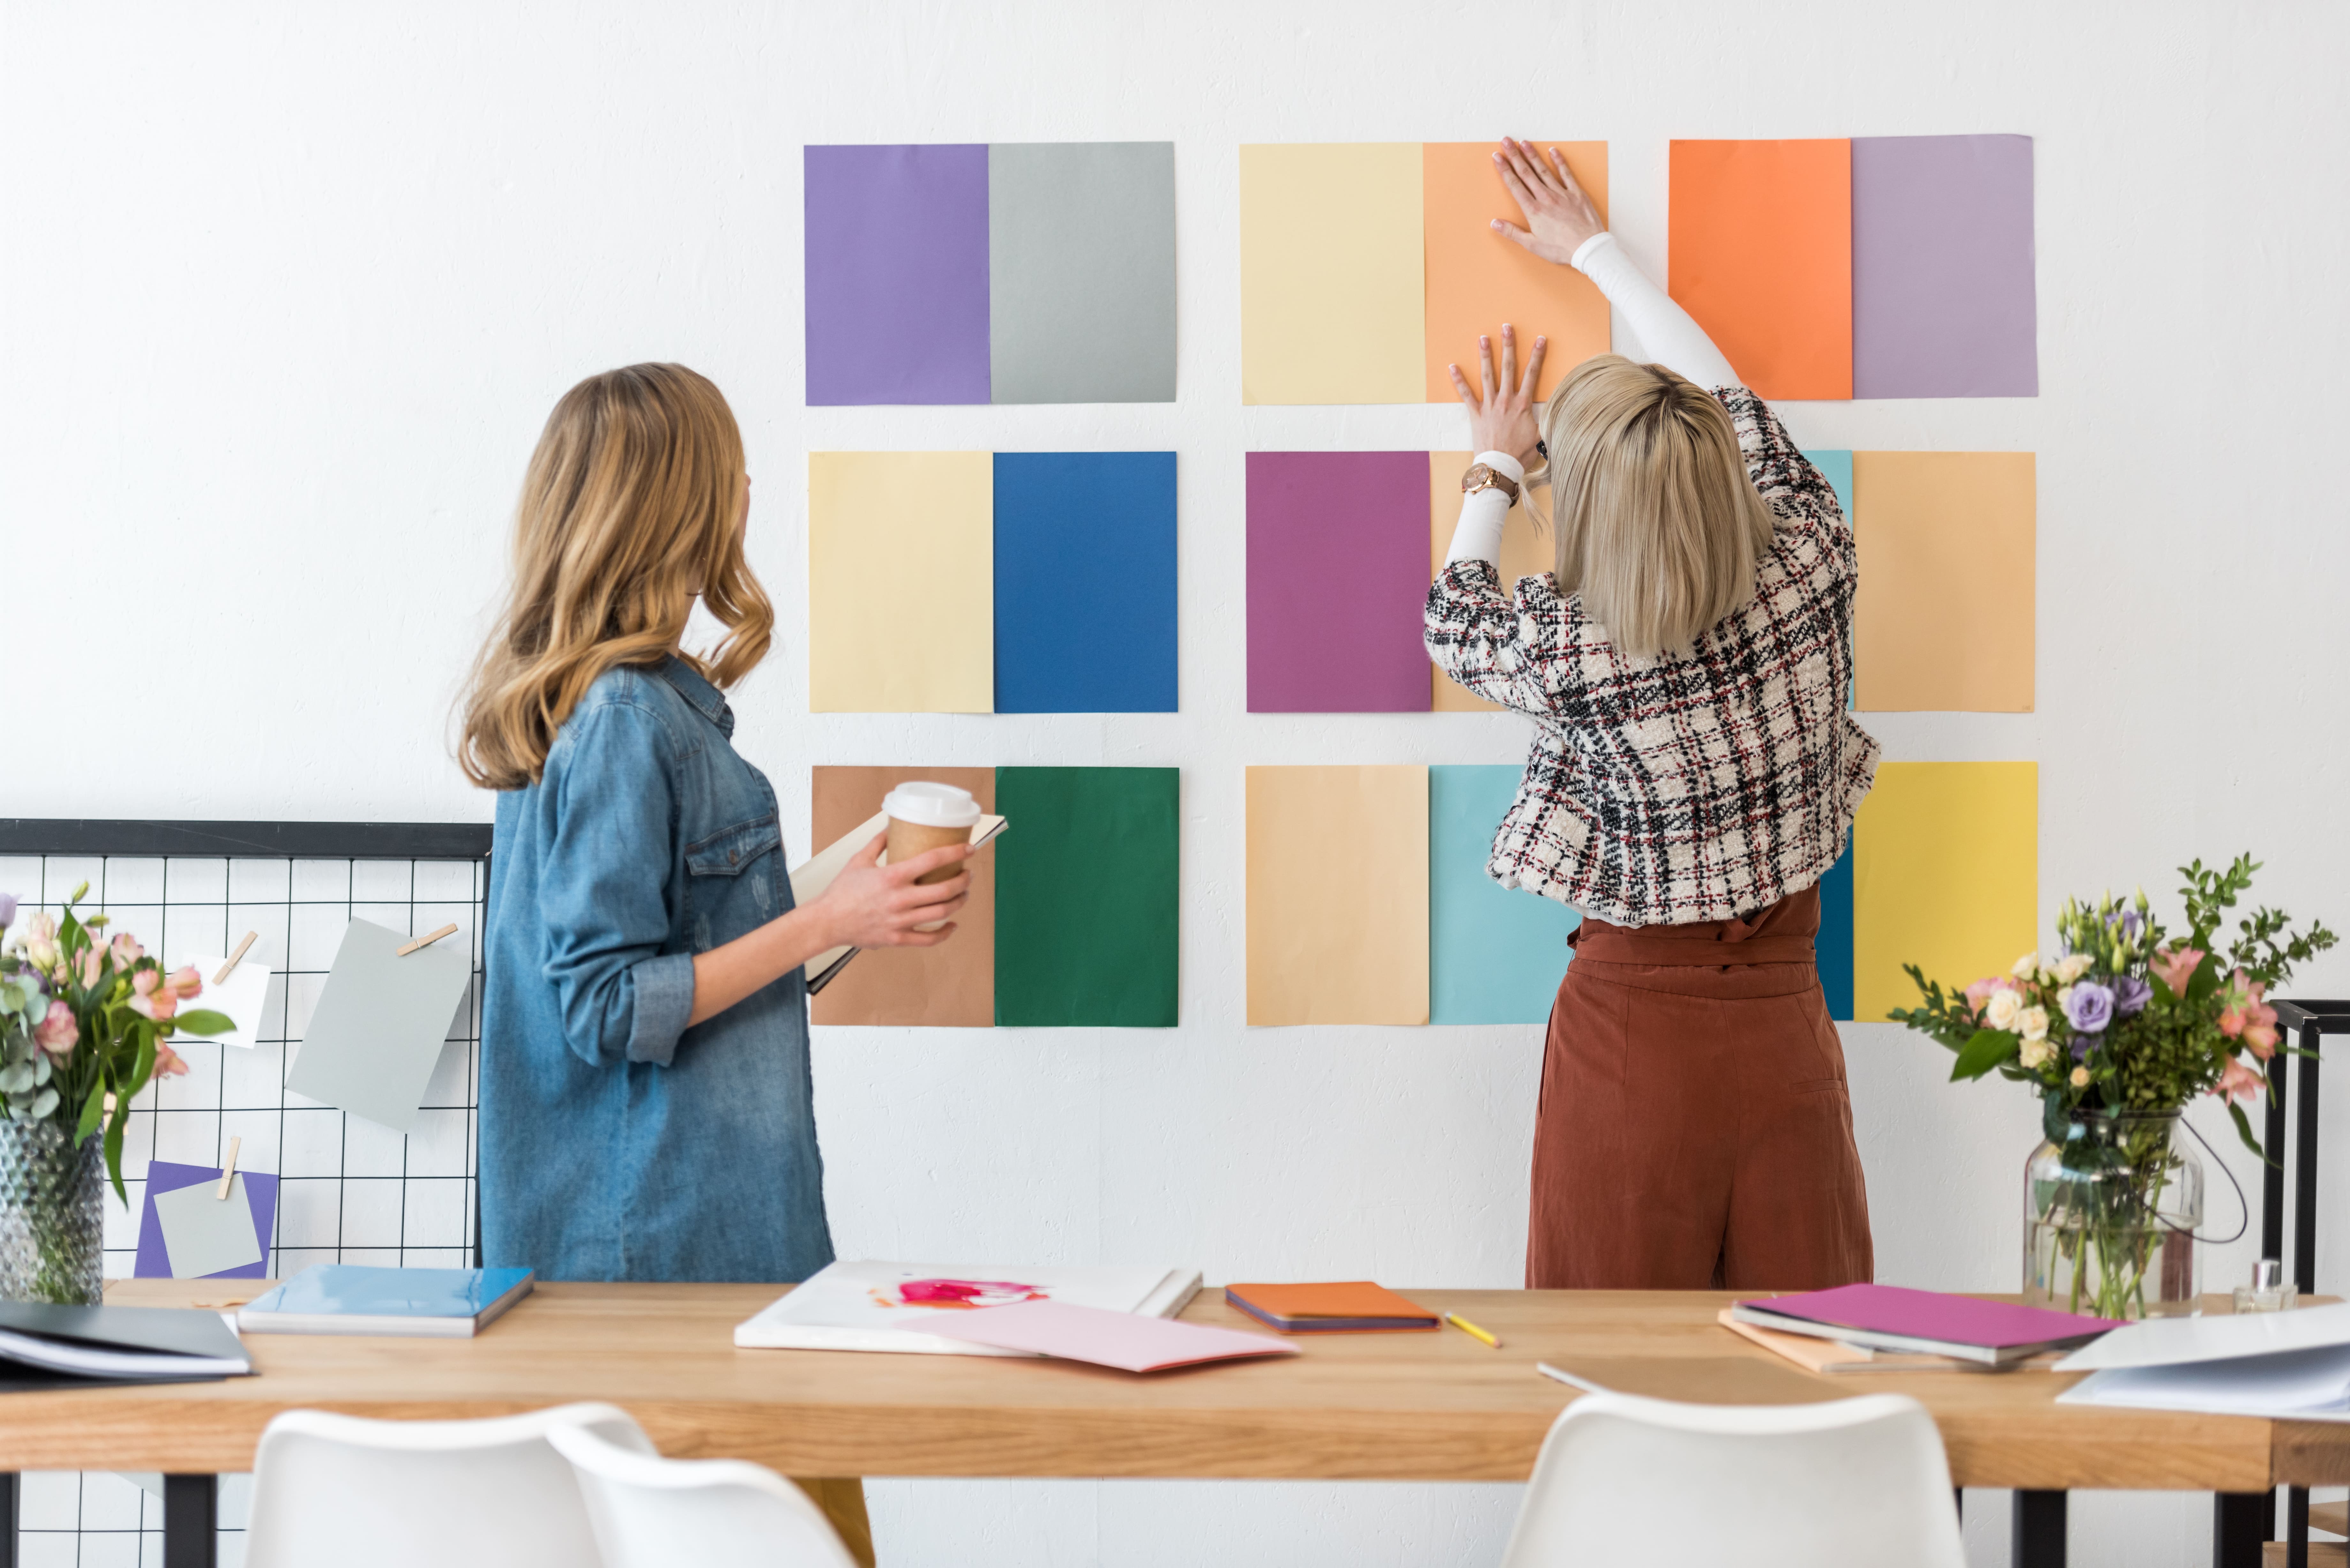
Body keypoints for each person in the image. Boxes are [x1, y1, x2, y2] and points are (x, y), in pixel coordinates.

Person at [459, 362, 973, 1564]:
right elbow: (601, 1004)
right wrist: (824, 920)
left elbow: (639, 960)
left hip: (676, 1251)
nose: (748, 491)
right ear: (683, 510)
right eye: (727, 475)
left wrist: (839, 912)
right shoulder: (629, 720)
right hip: (678, 1263)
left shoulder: (589, 712)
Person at [1427, 140, 1880, 1292]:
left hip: (1630, 1039)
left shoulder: (1571, 645)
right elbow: (1729, 391)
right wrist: (1598, 253)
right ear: (1724, 469)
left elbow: (1451, 619)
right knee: (1805, 1368)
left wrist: (1494, 467)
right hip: (1787, 1030)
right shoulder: (1816, 555)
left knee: (1607, 1377)